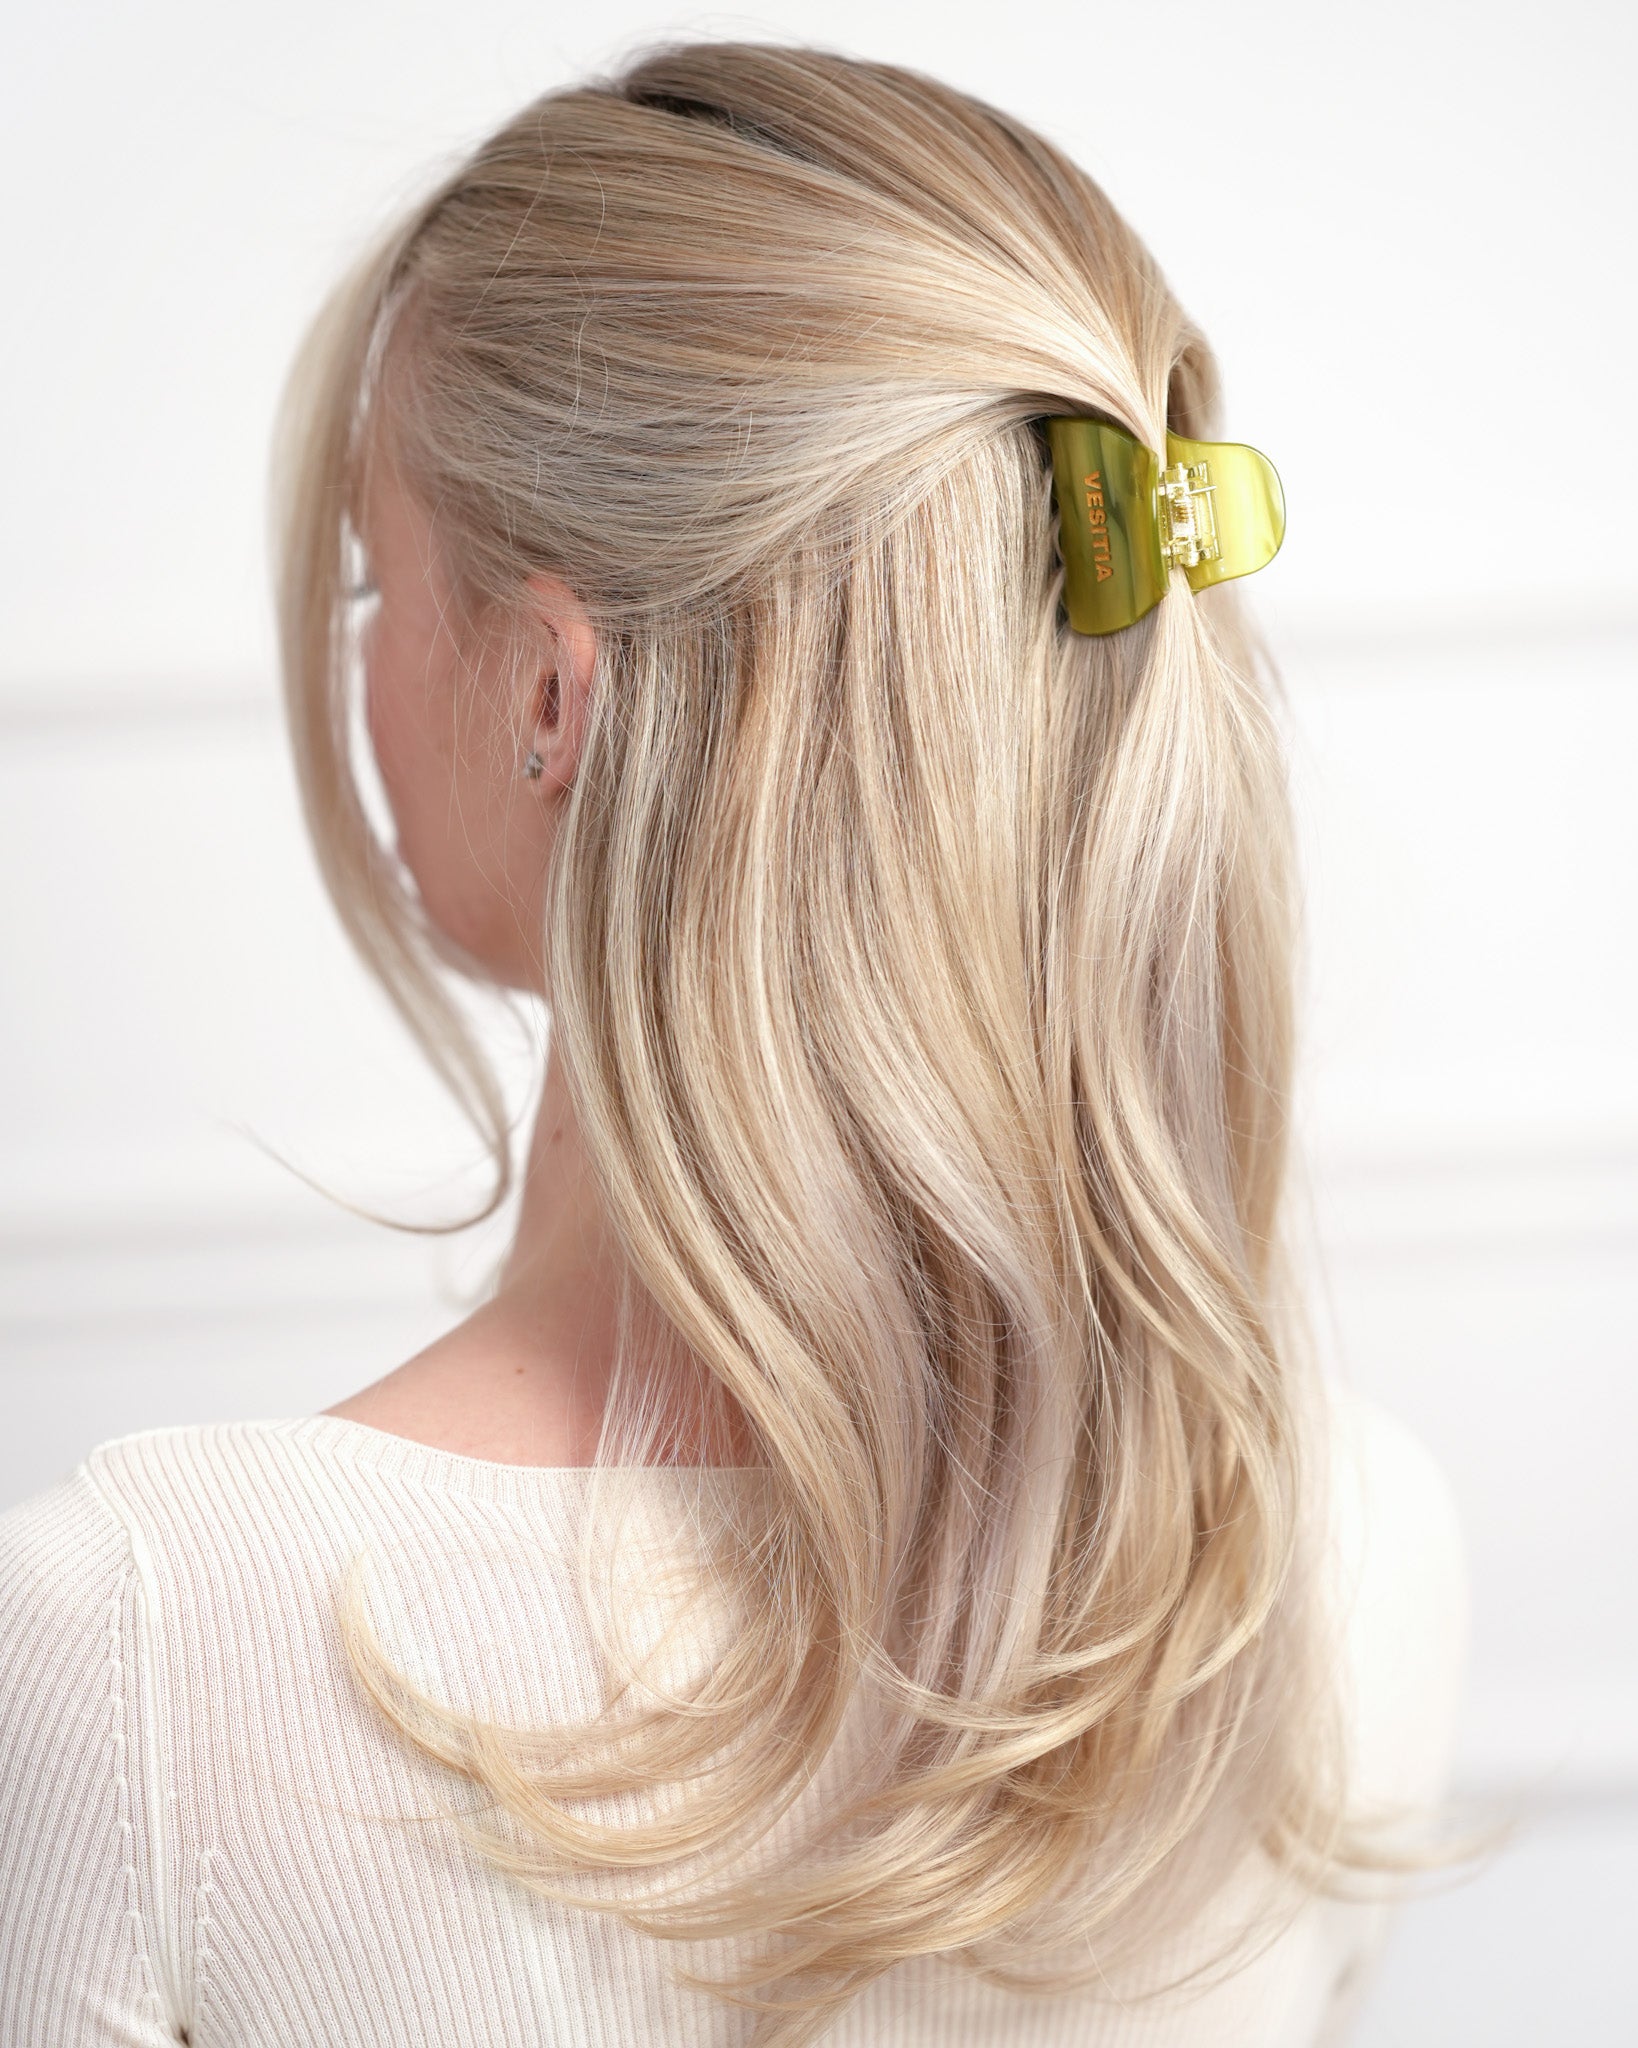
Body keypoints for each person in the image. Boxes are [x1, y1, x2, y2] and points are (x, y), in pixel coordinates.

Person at [0, 42, 1468, 2047]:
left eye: (373, 573)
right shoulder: (1342, 1551)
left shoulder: (136, 1653)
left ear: (548, 697)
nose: (357, 640)